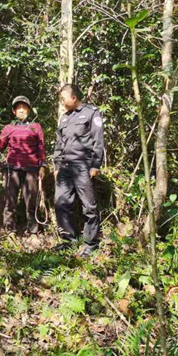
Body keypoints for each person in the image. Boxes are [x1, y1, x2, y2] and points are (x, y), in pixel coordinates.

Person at [53, 84, 104, 257]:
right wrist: (57, 165)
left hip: (83, 166)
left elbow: (98, 141)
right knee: (61, 203)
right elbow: (59, 143)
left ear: (73, 98)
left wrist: (96, 164)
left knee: (88, 205)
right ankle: (69, 240)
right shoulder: (64, 118)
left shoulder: (92, 113)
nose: (62, 102)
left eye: (63, 99)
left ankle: (91, 243)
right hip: (65, 167)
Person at [0, 96, 46, 236]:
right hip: (12, 168)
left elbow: (41, 148)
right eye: (18, 108)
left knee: (31, 200)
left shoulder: (36, 127)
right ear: (14, 111)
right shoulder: (9, 128)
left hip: (31, 169)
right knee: (10, 200)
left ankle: (32, 231)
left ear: (29, 110)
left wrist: (42, 166)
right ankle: (10, 231)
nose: (21, 110)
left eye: (24, 108)